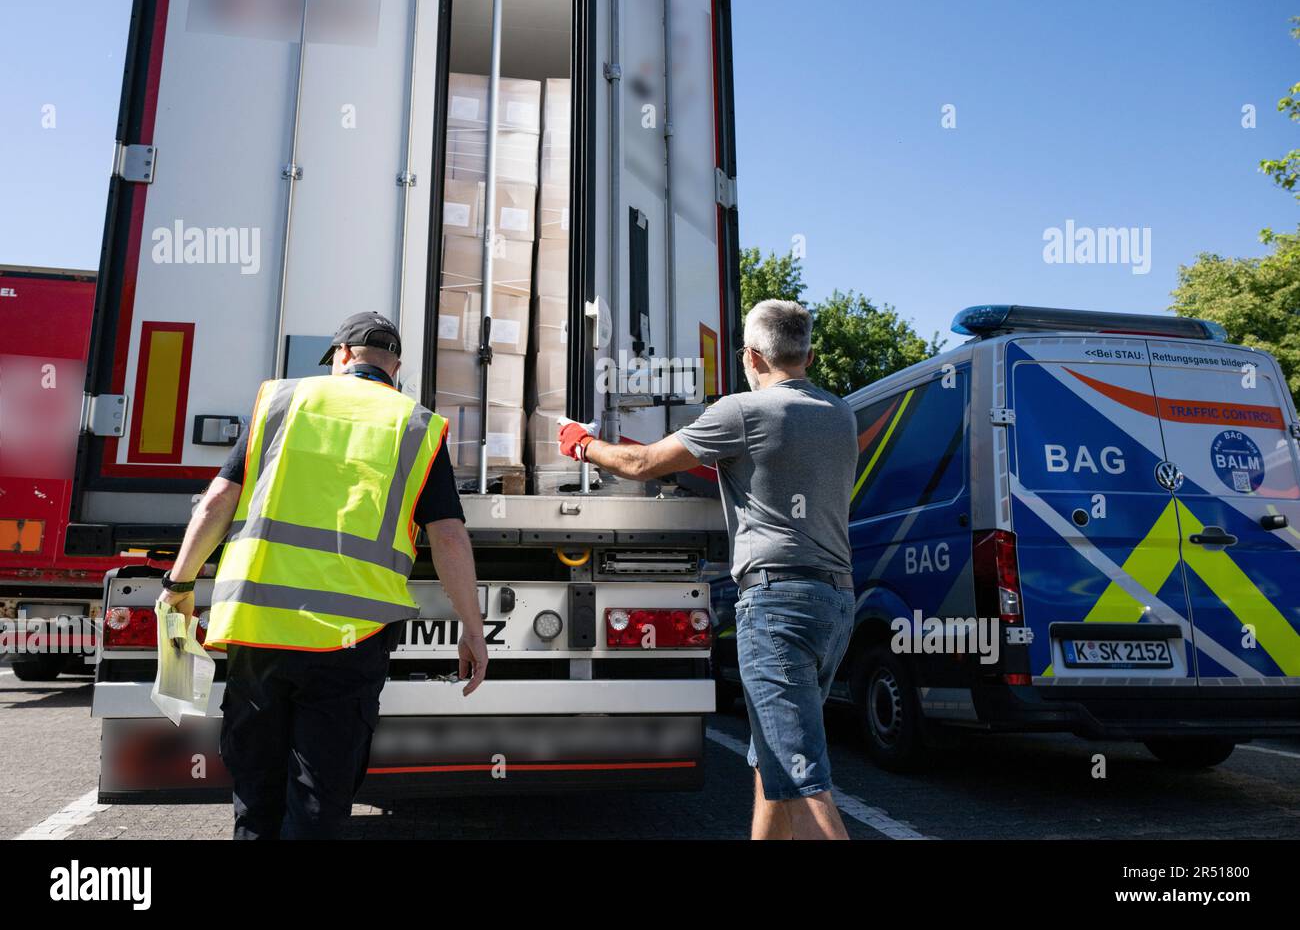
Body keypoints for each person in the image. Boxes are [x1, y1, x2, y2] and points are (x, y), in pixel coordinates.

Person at [160, 311, 487, 839]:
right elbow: (447, 534)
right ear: (395, 367)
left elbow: (219, 499)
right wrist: (472, 629)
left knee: (256, 793)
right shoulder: (417, 424)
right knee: (318, 800)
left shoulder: (283, 400)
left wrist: (179, 585)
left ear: (341, 356)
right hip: (349, 636)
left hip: (258, 628)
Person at [557, 299, 859, 839]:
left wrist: (583, 445)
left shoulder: (743, 412)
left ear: (750, 356)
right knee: (774, 761)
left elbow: (644, 464)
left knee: (800, 774)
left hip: (777, 605)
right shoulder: (840, 414)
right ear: (808, 354)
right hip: (835, 603)